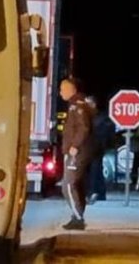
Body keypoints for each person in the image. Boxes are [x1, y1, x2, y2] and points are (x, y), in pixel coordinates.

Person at [59, 77, 93, 230]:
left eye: (62, 89)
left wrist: (74, 146)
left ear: (71, 90)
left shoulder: (76, 106)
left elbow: (83, 128)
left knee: (67, 185)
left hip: (76, 153)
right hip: (79, 152)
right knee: (77, 185)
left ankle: (78, 218)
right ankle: (77, 216)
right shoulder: (78, 104)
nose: (60, 93)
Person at [85, 95, 115, 204]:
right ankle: (100, 194)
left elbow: (104, 135)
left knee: (94, 171)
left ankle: (93, 193)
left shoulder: (99, 119)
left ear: (93, 104)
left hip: (95, 148)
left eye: (87, 104)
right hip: (93, 148)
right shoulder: (92, 118)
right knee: (96, 171)